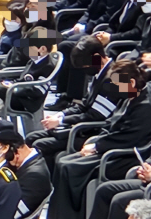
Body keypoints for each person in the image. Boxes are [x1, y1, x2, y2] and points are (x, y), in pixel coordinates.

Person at [47, 60, 151, 219]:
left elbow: (128, 138)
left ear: (130, 83)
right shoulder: (128, 99)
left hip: (123, 157)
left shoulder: (145, 107)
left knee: (71, 167)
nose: (115, 88)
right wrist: (96, 141)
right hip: (110, 147)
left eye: (118, 84)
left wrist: (97, 146)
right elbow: (111, 125)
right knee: (63, 161)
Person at [27, 36, 121, 172]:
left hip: (93, 131)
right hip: (82, 126)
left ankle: (45, 182)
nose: (84, 70)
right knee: (31, 137)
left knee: (40, 144)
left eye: (85, 66)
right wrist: (61, 115)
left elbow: (96, 116)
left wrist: (61, 121)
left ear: (96, 57)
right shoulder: (100, 74)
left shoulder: (114, 79)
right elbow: (84, 105)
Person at [0, 26, 55, 113]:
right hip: (16, 91)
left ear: (42, 49)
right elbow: (22, 79)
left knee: (0, 90)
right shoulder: (32, 61)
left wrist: (14, 88)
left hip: (26, 102)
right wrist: (11, 83)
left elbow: (37, 91)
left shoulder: (48, 66)